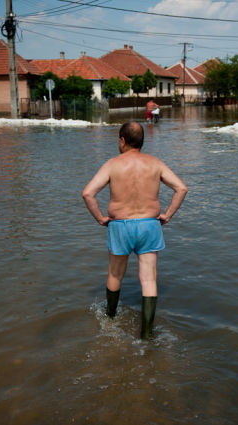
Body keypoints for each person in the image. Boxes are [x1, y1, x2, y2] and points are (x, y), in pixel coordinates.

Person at [82, 122, 188, 339]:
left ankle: (110, 320)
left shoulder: (113, 164)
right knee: (148, 279)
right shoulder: (155, 163)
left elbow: (88, 193)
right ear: (142, 141)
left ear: (122, 140)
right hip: (149, 225)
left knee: (115, 274)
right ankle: (147, 334)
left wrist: (101, 218)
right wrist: (167, 215)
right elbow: (181, 188)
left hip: (120, 225)